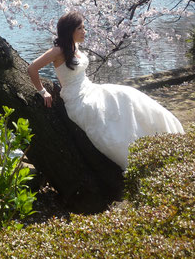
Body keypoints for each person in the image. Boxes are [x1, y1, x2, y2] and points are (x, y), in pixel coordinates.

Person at [27, 11, 184, 169]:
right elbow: (32, 68)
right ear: (70, 30)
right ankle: (133, 156)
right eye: (80, 28)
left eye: (84, 27)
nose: (84, 32)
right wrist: (42, 91)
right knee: (103, 116)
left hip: (90, 88)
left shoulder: (75, 47)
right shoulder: (58, 51)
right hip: (76, 98)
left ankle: (159, 135)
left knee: (126, 95)